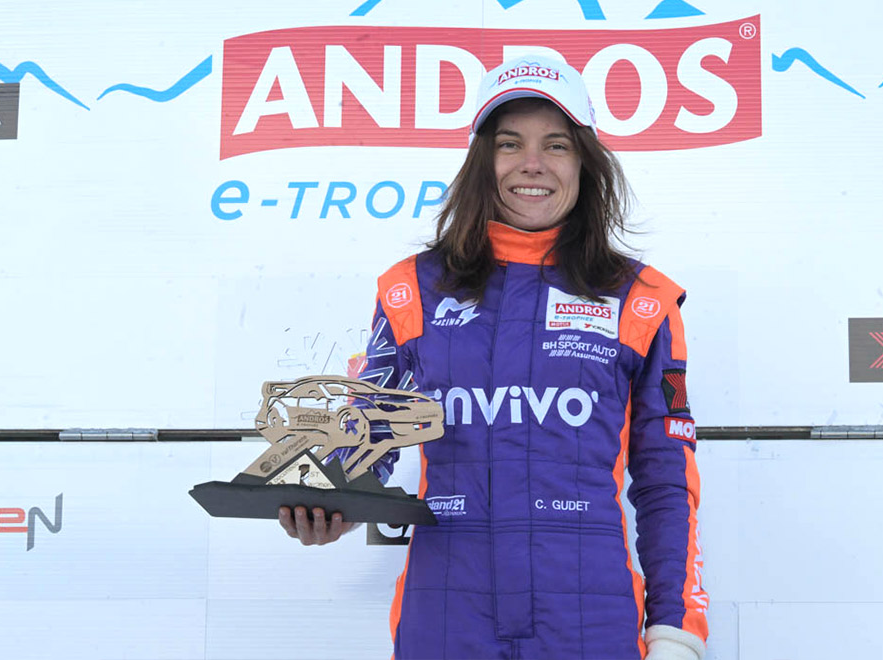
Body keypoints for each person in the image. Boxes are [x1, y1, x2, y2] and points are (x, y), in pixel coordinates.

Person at [280, 55, 707, 660]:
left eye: (556, 144)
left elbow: (666, 481)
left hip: (588, 615)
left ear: (585, 162)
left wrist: (676, 629)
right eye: (510, 144)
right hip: (446, 613)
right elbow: (366, 438)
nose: (532, 163)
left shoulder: (642, 300)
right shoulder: (411, 290)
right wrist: (333, 502)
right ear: (483, 162)